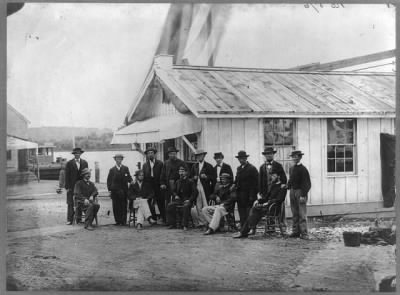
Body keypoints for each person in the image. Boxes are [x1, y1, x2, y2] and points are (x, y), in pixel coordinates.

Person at [233, 168, 287, 238]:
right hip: (267, 207)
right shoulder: (273, 186)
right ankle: (246, 230)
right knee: (254, 209)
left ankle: (246, 231)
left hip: (274, 208)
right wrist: (258, 200)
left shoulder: (282, 187)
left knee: (255, 210)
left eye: (273, 176)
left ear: (278, 176)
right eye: (271, 176)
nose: (272, 177)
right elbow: (266, 198)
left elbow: (279, 200)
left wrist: (268, 203)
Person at [258, 147, 287, 232]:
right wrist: (260, 192)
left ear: (273, 155)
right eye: (267, 154)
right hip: (266, 191)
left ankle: (282, 226)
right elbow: (260, 181)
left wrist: (281, 187)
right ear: (265, 156)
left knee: (279, 209)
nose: (269, 155)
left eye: (270, 154)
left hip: (277, 191)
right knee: (268, 209)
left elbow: (284, 179)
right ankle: (270, 227)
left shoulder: (278, 166)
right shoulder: (262, 167)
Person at [287, 150, 311, 239]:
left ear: (300, 157)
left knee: (302, 214)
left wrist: (303, 195)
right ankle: (295, 231)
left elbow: (307, 183)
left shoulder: (303, 169)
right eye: (293, 156)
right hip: (292, 191)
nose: (294, 158)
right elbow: (291, 180)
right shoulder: (291, 168)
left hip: (300, 192)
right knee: (295, 213)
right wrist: (287, 186)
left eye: (296, 156)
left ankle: (304, 233)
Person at [190, 149, 216, 229]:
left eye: (201, 155)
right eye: (198, 156)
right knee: (198, 205)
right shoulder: (194, 166)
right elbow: (190, 177)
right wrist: (194, 178)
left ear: (204, 156)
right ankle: (201, 222)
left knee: (205, 204)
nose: (199, 157)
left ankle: (207, 222)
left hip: (205, 188)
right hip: (197, 187)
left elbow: (213, 178)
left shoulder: (209, 166)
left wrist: (206, 177)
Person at [166, 166, 198, 230]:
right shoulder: (178, 181)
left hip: (188, 200)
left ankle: (184, 225)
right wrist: (175, 195)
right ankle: (172, 223)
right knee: (170, 205)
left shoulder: (190, 181)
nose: (181, 173)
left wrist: (189, 200)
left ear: (186, 172)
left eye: (182, 171)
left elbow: (195, 193)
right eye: (180, 172)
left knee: (186, 206)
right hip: (179, 200)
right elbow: (174, 191)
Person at [234, 150, 259, 228]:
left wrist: (253, 195)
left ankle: (250, 228)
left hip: (249, 195)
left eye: (243, 158)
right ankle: (243, 228)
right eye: (239, 159)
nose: (241, 160)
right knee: (241, 212)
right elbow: (237, 180)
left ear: (246, 158)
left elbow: (257, 183)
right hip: (240, 195)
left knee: (249, 213)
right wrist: (234, 186)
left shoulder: (252, 168)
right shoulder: (238, 168)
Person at [107, 154, 133, 226]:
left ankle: (123, 221)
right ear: (115, 160)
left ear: (122, 160)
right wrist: (110, 190)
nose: (119, 160)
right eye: (117, 159)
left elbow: (129, 177)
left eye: (120, 159)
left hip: (124, 190)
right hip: (115, 191)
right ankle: (118, 221)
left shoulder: (125, 168)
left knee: (124, 205)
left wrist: (131, 181)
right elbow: (109, 181)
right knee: (116, 206)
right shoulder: (112, 170)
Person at [64, 147, 88, 225]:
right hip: (71, 186)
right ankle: (70, 219)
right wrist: (67, 187)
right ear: (74, 154)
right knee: (70, 202)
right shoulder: (69, 163)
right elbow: (66, 176)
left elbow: (86, 175)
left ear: (80, 154)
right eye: (76, 153)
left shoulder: (84, 163)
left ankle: (78, 219)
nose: (77, 155)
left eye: (79, 153)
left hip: (81, 186)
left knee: (80, 202)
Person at [142, 147, 164, 223]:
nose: (150, 154)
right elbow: (144, 176)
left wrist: (162, 184)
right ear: (147, 155)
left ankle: (164, 218)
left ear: (154, 154)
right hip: (149, 186)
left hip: (158, 185)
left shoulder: (160, 163)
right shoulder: (145, 165)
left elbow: (162, 174)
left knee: (160, 202)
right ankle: (153, 219)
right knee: (150, 202)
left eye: (151, 153)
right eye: (148, 153)